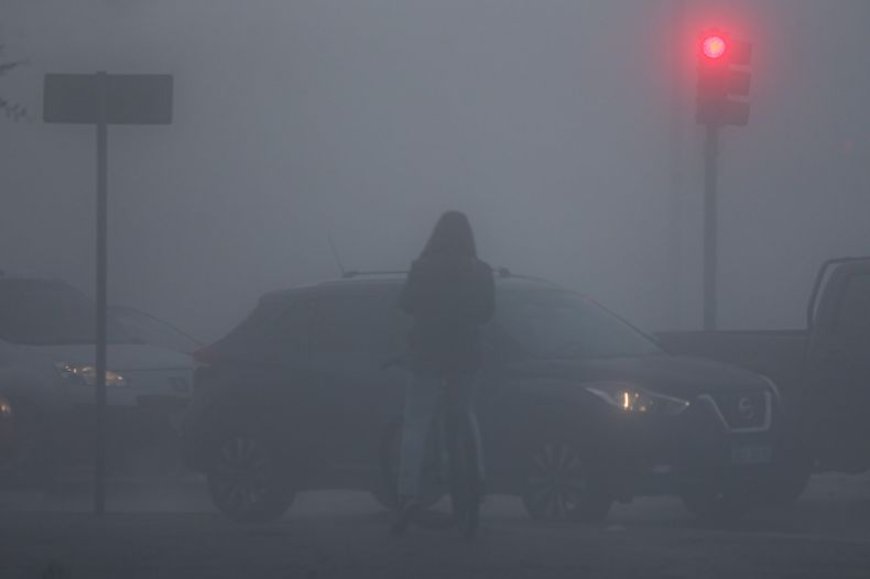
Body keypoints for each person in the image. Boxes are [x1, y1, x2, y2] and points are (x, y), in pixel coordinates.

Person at [392, 210, 495, 534]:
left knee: (416, 422)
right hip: (466, 356)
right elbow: (488, 312)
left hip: (427, 355)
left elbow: (406, 304)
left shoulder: (422, 268)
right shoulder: (480, 270)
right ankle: (476, 478)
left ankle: (407, 493)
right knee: (465, 413)